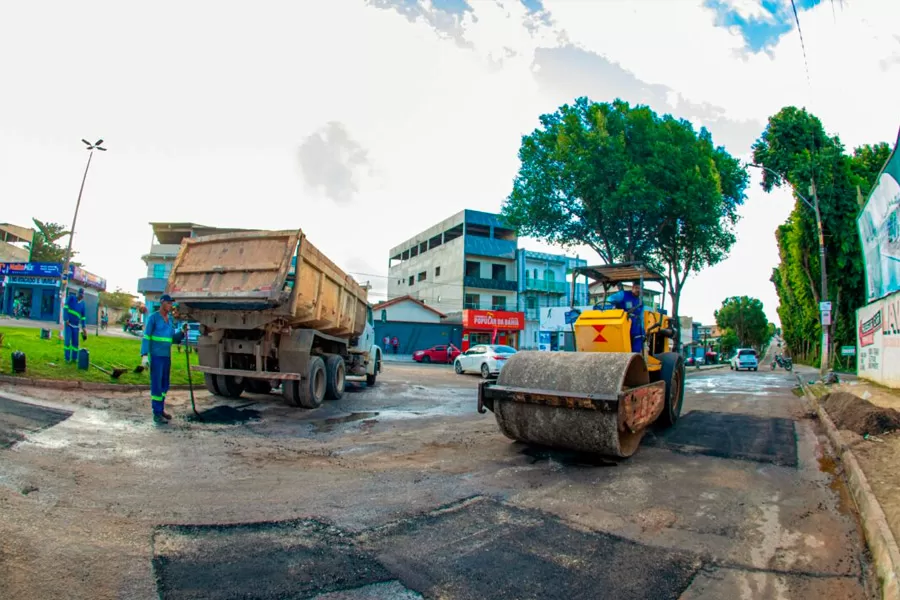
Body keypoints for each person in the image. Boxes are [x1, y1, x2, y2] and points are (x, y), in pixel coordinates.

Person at [140, 294, 187, 425]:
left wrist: (182, 332)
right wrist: (144, 355)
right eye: (168, 303)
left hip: (166, 357)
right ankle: (156, 413)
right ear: (162, 303)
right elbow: (146, 337)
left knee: (164, 384)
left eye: (171, 303)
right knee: (156, 384)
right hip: (156, 356)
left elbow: (173, 338)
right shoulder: (153, 318)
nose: (171, 305)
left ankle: (160, 410)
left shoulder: (170, 320)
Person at [608, 282, 644, 353]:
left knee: (639, 340)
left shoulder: (641, 302)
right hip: (623, 323)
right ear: (632, 287)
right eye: (637, 288)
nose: (638, 290)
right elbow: (610, 299)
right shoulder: (623, 294)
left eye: (640, 289)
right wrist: (616, 306)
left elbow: (641, 316)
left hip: (636, 327)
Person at [64, 288, 87, 363]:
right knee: (67, 341)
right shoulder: (71, 298)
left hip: (76, 326)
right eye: (80, 294)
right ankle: (67, 358)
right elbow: (65, 308)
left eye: (82, 295)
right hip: (68, 324)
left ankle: (74, 358)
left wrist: (84, 328)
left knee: (75, 343)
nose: (81, 296)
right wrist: (66, 318)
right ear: (77, 294)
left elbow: (83, 317)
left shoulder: (83, 304)